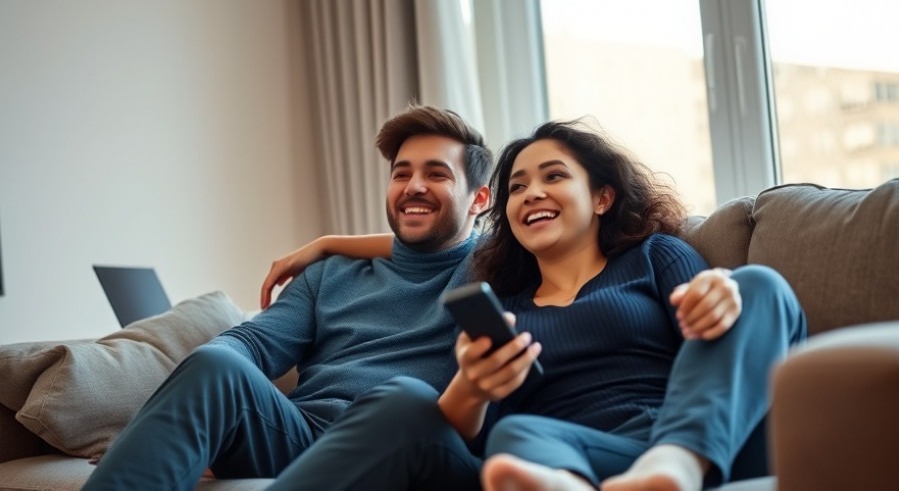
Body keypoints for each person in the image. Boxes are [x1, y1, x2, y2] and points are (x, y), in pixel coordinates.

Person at [262, 120, 806, 491]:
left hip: (699, 438)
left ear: (602, 197)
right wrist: (471, 387)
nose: (531, 194)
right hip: (579, 455)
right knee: (513, 440)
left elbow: (714, 348)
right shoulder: (502, 306)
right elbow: (476, 426)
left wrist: (719, 293)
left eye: (554, 177)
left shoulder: (655, 257)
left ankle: (676, 466)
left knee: (757, 286)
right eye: (517, 187)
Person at [81, 104, 494, 490]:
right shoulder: (330, 273)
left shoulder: (491, 269)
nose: (413, 187)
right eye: (401, 174)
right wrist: (180, 424)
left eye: (437, 174)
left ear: (479, 198)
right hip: (300, 437)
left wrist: (330, 240)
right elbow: (253, 343)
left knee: (407, 398)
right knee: (217, 360)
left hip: (405, 442)